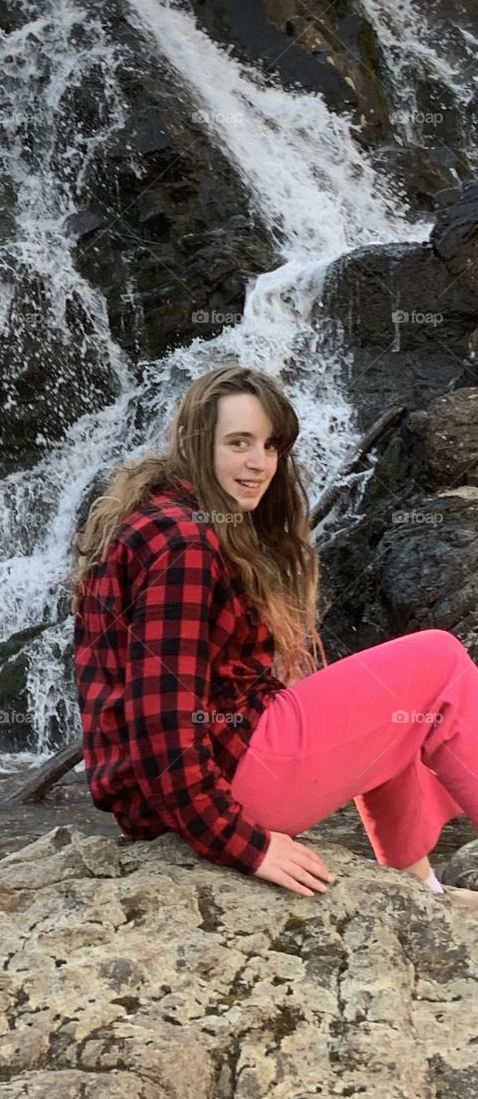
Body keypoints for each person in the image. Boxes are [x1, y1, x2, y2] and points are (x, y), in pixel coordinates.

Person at [72, 364, 478, 909]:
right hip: (228, 788)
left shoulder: (163, 516)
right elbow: (160, 722)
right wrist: (245, 844)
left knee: (388, 700)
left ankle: (419, 889)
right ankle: (417, 880)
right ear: (196, 442)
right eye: (239, 442)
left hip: (190, 788)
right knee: (440, 658)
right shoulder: (185, 545)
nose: (260, 463)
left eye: (270, 445)